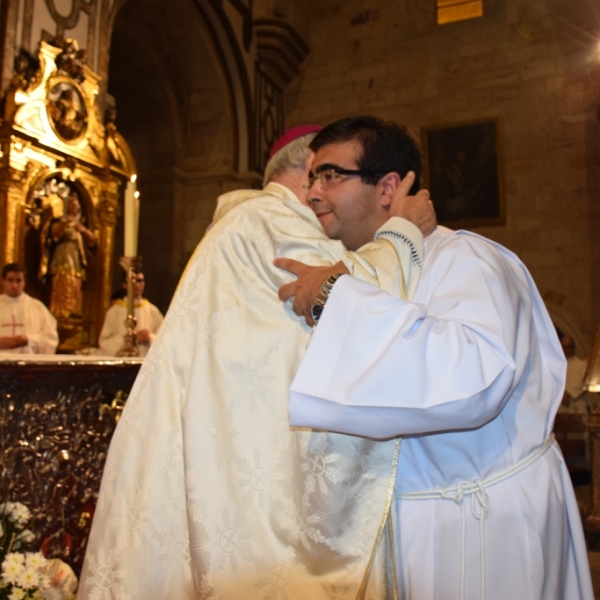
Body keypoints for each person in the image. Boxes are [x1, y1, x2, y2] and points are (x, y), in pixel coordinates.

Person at [77, 124, 435, 599]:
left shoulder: (244, 222)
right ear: (308, 169)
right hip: (247, 483)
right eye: (324, 176)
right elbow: (365, 298)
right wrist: (403, 230)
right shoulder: (272, 220)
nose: (322, 194)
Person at [277, 116, 594, 599]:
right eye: (310, 179)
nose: (313, 193)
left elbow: (471, 378)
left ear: (387, 187)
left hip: (480, 528)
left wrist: (335, 298)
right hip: (416, 525)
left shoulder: (465, 259)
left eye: (330, 176)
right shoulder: (369, 271)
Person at [44, 194, 96, 319]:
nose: (75, 208)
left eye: (77, 206)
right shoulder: (60, 220)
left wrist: (83, 230)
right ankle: (59, 311)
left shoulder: (79, 224)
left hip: (76, 256)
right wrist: (63, 224)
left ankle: (73, 310)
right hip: (62, 253)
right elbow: (54, 235)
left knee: (75, 281)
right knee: (61, 280)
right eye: (72, 205)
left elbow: (92, 241)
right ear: (67, 206)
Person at [98, 270, 163, 357]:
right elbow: (104, 343)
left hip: (145, 363)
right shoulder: (114, 312)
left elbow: (165, 341)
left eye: (140, 281)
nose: (137, 284)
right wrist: (127, 339)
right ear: (124, 284)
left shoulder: (153, 311)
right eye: (132, 281)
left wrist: (149, 337)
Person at [0, 263, 58, 354]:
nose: (14, 285)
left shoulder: (37, 307)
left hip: (27, 363)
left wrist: (28, 339)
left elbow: (51, 339)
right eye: (10, 280)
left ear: (24, 282)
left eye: (18, 281)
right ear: (3, 281)